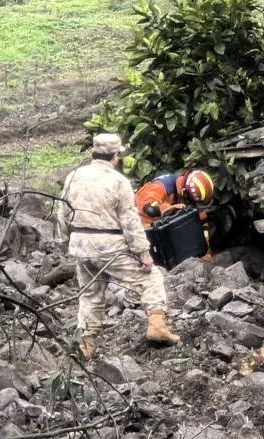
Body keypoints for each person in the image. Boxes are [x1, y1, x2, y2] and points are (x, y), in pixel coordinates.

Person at [55, 133, 179, 359]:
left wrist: (63, 242)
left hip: (80, 245)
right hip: (108, 244)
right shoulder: (118, 181)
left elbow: (62, 212)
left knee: (90, 294)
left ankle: (87, 345)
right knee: (151, 279)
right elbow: (130, 222)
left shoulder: (74, 176)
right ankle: (157, 326)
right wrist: (143, 254)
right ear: (116, 156)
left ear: (93, 153)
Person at [134, 169, 215, 260]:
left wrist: (205, 251)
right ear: (185, 193)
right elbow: (149, 207)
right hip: (140, 229)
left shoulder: (195, 200)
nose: (198, 209)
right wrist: (170, 210)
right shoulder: (163, 185)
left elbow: (203, 225)